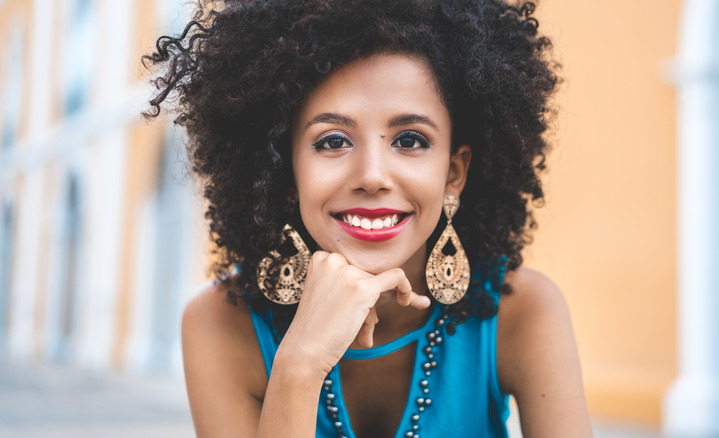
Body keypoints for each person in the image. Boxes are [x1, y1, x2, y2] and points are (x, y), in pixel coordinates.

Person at [143, 0, 591, 436]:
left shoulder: (523, 311)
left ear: (453, 174)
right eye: (333, 141)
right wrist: (300, 364)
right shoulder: (222, 322)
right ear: (286, 172)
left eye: (410, 140)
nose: (372, 176)